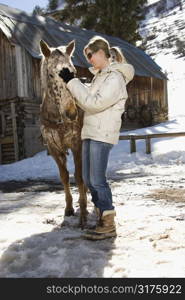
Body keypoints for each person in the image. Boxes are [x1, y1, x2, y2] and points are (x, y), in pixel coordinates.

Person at [59, 36, 135, 240]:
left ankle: (108, 222)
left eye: (91, 55)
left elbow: (93, 103)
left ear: (102, 53)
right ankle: (102, 217)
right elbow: (86, 100)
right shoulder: (99, 78)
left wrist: (72, 82)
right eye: (87, 56)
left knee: (97, 180)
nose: (89, 59)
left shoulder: (115, 78)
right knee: (87, 178)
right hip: (91, 132)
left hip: (102, 134)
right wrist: (73, 83)